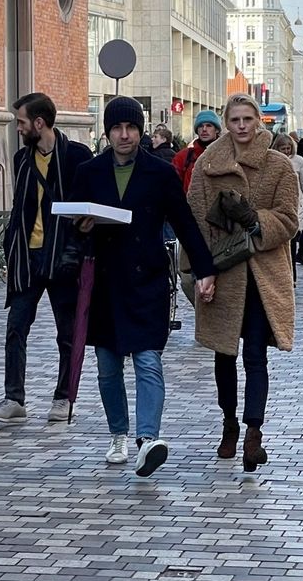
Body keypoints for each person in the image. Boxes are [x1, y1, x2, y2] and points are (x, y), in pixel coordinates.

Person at [70, 97, 216, 474]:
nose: (124, 135)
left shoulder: (160, 173)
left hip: (146, 280)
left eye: (131, 128)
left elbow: (184, 223)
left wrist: (204, 269)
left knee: (148, 360)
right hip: (104, 283)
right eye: (117, 128)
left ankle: (147, 438)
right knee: (107, 366)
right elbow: (71, 226)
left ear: (141, 130)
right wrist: (80, 228)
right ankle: (118, 432)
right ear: (107, 132)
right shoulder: (89, 173)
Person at [187, 94, 300, 473]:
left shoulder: (278, 165)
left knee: (255, 353)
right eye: (234, 119)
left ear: (259, 121)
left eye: (248, 118)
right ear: (225, 123)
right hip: (224, 272)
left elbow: (288, 220)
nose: (241, 126)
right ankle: (229, 422)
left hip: (263, 275)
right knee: (224, 354)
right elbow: (196, 220)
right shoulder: (207, 164)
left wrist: (254, 219)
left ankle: (254, 432)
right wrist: (203, 270)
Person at [0, 93, 93, 424]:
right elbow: (20, 206)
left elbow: (86, 206)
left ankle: (63, 397)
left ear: (39, 123)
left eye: (21, 122)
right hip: (26, 258)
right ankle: (13, 398)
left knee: (66, 333)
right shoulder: (21, 159)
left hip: (63, 257)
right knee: (16, 328)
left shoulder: (77, 156)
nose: (17, 128)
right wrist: (11, 244)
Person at [272, 133, 303, 279]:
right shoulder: (271, 160)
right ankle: (284, 276)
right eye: (283, 148)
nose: (286, 151)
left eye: (288, 148)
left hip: (296, 204)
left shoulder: (298, 161)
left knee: (293, 243)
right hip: (277, 205)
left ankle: (293, 278)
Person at [172, 111, 220, 193]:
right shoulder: (182, 157)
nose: (204, 129)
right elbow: (172, 186)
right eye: (200, 126)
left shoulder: (228, 155)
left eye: (209, 126)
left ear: (216, 130)